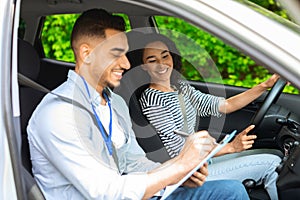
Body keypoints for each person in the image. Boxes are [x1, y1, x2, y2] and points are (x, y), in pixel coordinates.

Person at [26, 9, 249, 200]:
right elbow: (105, 192)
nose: (125, 63)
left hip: (134, 193)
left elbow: (135, 164)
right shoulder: (59, 113)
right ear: (87, 54)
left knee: (231, 191)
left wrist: (179, 175)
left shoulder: (116, 104)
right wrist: (180, 164)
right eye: (117, 54)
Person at [132, 32, 282, 200]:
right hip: (190, 173)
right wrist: (230, 147)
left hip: (203, 162)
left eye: (165, 56)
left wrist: (264, 86)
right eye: (152, 60)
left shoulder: (180, 87)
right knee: (272, 164)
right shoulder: (153, 100)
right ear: (144, 66)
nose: (161, 64)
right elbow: (177, 152)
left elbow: (225, 105)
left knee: (275, 155)